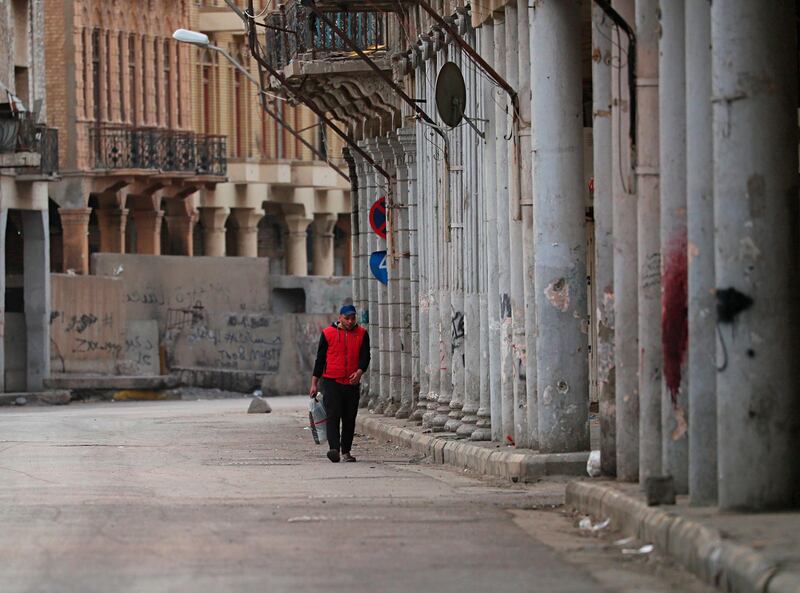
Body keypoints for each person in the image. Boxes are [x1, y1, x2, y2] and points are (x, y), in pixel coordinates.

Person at [310, 304, 370, 463]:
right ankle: (334, 449)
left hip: (351, 383)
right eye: (347, 318)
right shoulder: (327, 333)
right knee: (333, 416)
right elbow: (320, 359)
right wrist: (314, 383)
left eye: (353, 318)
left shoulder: (362, 334)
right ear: (340, 318)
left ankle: (346, 451)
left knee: (349, 418)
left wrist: (359, 372)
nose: (350, 321)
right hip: (331, 382)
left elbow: (365, 357)